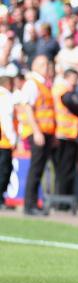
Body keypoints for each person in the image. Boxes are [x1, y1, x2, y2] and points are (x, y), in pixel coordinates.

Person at [18, 54, 56, 216]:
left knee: (39, 169)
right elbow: (27, 108)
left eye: (47, 65)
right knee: (35, 168)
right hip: (37, 132)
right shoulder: (32, 84)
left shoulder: (44, 85)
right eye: (43, 65)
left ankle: (34, 203)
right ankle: (29, 204)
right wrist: (36, 131)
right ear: (35, 66)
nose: (46, 68)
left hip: (45, 132)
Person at [51, 68, 78, 206]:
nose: (76, 83)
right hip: (64, 135)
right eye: (74, 79)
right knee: (65, 171)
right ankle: (62, 203)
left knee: (63, 171)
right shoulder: (62, 91)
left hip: (66, 135)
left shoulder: (60, 90)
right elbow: (73, 105)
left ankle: (61, 201)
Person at [0, 75, 17, 207]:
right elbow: (6, 120)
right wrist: (13, 139)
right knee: (4, 170)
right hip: (4, 141)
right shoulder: (6, 97)